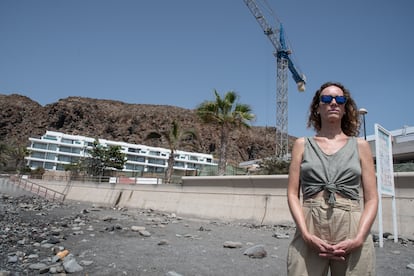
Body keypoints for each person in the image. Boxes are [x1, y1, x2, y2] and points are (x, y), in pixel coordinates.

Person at [286, 81, 378, 276]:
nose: (333, 102)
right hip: (310, 224)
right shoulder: (301, 145)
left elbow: (372, 198)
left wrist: (359, 238)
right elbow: (292, 194)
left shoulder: (360, 146)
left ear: (345, 108)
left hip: (351, 225)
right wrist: (305, 234)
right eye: (326, 99)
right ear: (317, 108)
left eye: (340, 99)